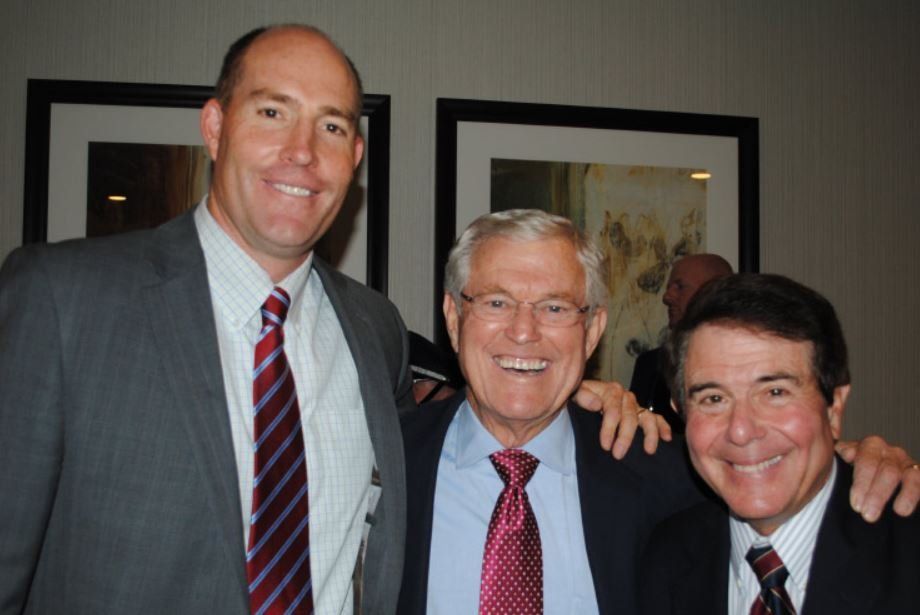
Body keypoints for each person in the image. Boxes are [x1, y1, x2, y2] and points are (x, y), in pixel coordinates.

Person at [0, 25, 655, 615]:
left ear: (356, 156)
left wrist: (567, 396)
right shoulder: (63, 301)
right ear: (214, 125)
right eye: (272, 111)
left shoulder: (373, 330)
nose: (302, 150)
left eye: (332, 126)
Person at [396, 211, 919, 615]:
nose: (524, 331)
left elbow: (773, 478)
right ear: (453, 317)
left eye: (555, 307)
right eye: (495, 302)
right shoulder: (382, 460)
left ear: (594, 329)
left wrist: (844, 462)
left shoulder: (665, 474)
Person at [640, 273, 920, 614]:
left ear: (834, 408)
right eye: (713, 399)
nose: (741, 431)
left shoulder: (906, 553)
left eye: (775, 392)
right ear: (681, 412)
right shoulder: (665, 559)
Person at [629, 253, 733, 432]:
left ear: (714, 292)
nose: (667, 297)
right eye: (669, 287)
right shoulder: (650, 364)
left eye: (680, 286)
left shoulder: (743, 361)